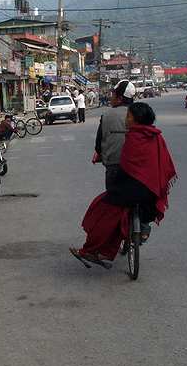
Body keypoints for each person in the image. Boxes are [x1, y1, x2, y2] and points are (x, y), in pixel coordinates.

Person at [70, 102, 177, 264]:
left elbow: (127, 167)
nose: (126, 119)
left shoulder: (134, 136)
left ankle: (91, 250)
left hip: (133, 189)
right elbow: (163, 164)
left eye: (129, 116)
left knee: (102, 209)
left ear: (136, 119)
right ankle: (140, 231)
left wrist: (114, 186)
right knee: (119, 213)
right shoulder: (156, 136)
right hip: (152, 190)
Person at [92, 80, 135, 190]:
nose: (111, 97)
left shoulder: (106, 115)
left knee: (113, 201)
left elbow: (98, 144)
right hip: (137, 167)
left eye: (113, 95)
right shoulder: (140, 112)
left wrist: (100, 153)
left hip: (114, 167)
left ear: (120, 98)